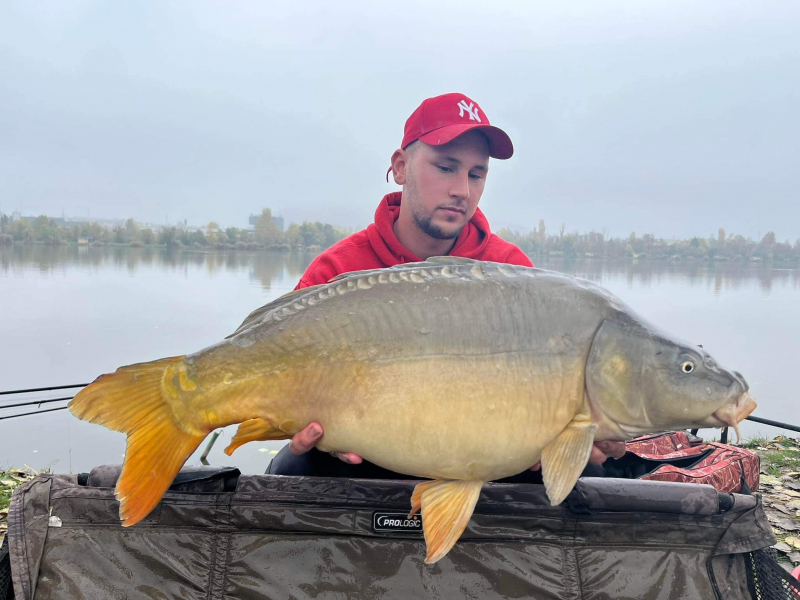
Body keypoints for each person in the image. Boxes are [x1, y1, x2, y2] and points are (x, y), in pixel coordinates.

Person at [267, 92, 624, 480]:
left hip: (480, 457)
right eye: (446, 167)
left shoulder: (509, 273)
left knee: (587, 478)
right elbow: (276, 369)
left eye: (476, 174)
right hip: (361, 453)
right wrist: (298, 423)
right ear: (401, 167)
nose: (462, 190)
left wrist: (574, 435)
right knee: (291, 466)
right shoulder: (337, 271)